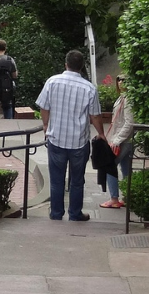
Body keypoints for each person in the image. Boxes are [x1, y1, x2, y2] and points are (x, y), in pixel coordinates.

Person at [37, 50, 106, 222]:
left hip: (56, 139)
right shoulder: (89, 88)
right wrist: (101, 133)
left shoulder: (52, 82)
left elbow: (44, 107)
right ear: (82, 67)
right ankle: (75, 213)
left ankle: (56, 213)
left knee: (56, 180)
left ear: (65, 63)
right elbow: (95, 115)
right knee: (77, 180)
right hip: (79, 142)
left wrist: (46, 125)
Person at [101, 75, 135, 209]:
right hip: (126, 140)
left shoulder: (128, 100)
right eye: (119, 80)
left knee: (110, 166)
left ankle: (114, 199)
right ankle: (128, 197)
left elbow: (129, 123)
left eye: (124, 80)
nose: (120, 82)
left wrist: (116, 140)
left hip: (123, 140)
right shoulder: (123, 98)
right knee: (126, 168)